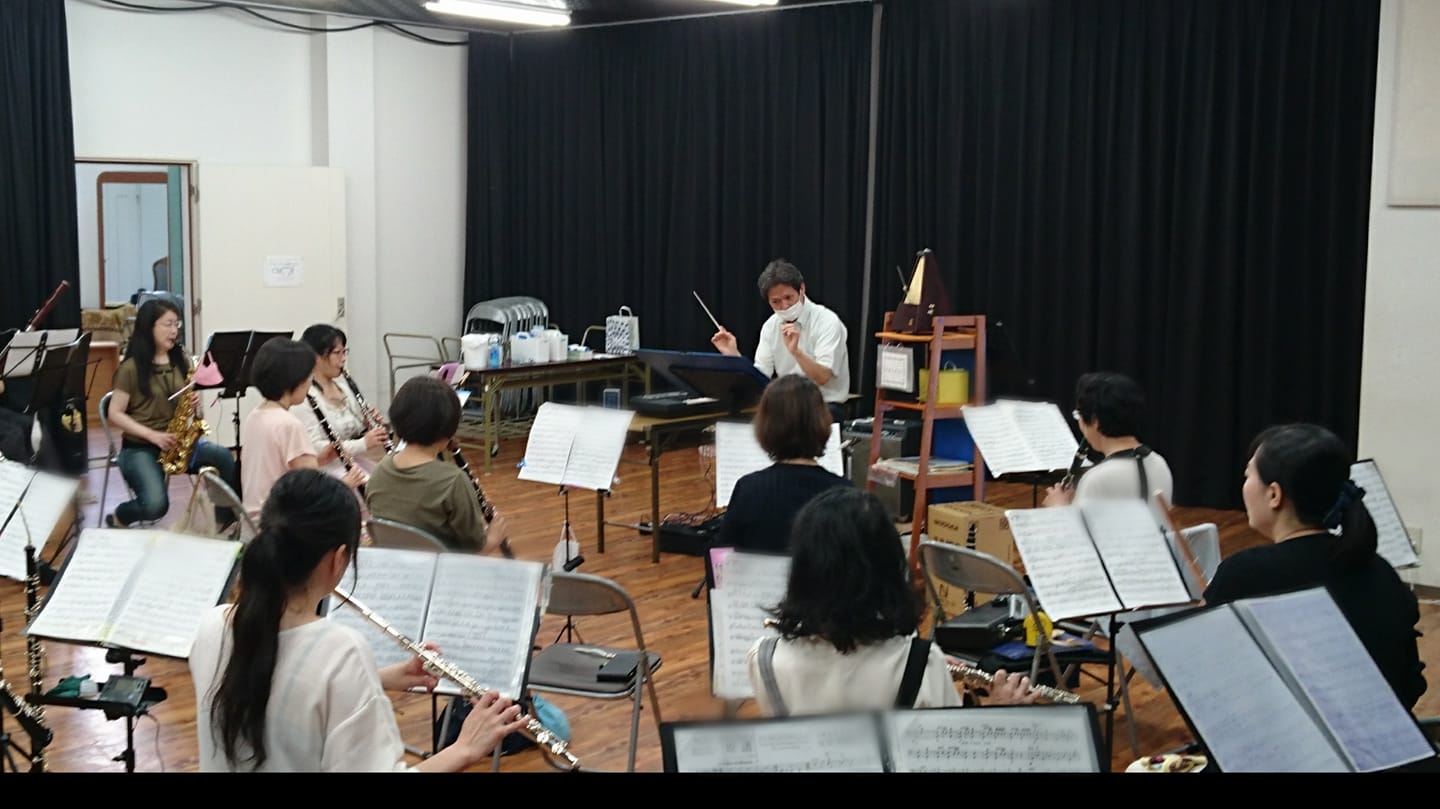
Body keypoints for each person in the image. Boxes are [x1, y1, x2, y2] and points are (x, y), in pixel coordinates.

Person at [189, 468, 529, 772]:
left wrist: (378, 678)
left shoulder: (212, 626)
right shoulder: (341, 652)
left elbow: (280, 689)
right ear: (337, 560)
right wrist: (465, 748)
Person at [747, 486, 1039, 716]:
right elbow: (949, 758)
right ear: (888, 570)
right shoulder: (923, 664)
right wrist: (997, 710)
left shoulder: (763, 658)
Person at [1203, 423, 1426, 710]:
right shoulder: (1380, 570)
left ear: (1274, 495)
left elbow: (1206, 676)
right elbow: (1410, 684)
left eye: (1248, 476)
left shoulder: (1244, 573)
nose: (1244, 486)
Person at [105, 299, 238, 528]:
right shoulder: (131, 368)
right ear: (149, 327)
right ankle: (121, 515)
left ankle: (223, 523)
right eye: (168, 324)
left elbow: (184, 401)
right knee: (155, 506)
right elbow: (114, 414)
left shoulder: (181, 361)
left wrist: (192, 402)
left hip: (177, 442)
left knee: (224, 458)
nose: (174, 330)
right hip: (140, 448)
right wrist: (152, 435)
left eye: (177, 324)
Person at [364, 375, 508, 554]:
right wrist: (493, 538)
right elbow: (472, 551)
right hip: (438, 568)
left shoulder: (379, 470)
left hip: (394, 562)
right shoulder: (454, 481)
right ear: (449, 430)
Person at [716, 375, 850, 553]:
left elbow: (722, 557)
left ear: (766, 425)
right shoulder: (846, 493)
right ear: (823, 421)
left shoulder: (749, 489)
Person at [711, 259, 851, 425]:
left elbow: (823, 377)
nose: (784, 306)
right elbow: (760, 378)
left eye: (788, 297)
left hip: (823, 406)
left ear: (802, 289)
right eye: (776, 302)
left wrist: (796, 352)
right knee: (739, 422)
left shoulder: (827, 321)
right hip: (785, 407)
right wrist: (734, 356)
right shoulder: (770, 326)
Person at [240, 339, 363, 519]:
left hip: (253, 519)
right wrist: (345, 484)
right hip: (281, 523)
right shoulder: (289, 424)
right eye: (308, 375)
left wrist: (318, 460)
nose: (310, 381)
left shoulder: (255, 416)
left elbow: (281, 468)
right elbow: (313, 495)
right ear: (294, 380)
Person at [1043, 371, 1174, 507]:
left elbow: (1080, 523)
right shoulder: (1159, 463)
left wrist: (1058, 506)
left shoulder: (1097, 478)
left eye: (1079, 415)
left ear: (1095, 421)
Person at [294, 324, 389, 477]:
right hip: (324, 471)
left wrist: (368, 425)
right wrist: (363, 443)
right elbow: (315, 448)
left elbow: (353, 432)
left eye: (345, 352)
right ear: (316, 357)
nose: (343, 358)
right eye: (337, 353)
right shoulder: (305, 396)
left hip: (350, 463)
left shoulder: (344, 389)